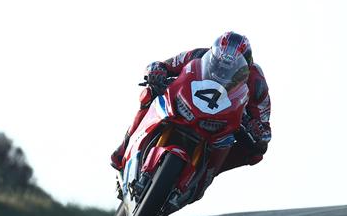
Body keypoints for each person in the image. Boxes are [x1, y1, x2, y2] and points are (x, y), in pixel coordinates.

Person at [110, 31, 271, 183]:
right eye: (220, 63)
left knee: (256, 152)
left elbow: (263, 121)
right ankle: (125, 146)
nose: (224, 70)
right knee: (150, 92)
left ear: (246, 65)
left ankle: (208, 174)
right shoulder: (197, 55)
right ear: (214, 54)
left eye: (232, 67)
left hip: (224, 119)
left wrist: (257, 129)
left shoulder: (257, 83)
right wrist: (156, 71)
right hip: (187, 102)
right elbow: (164, 65)